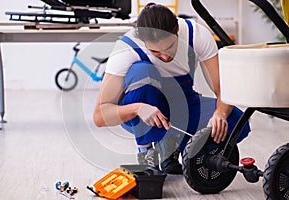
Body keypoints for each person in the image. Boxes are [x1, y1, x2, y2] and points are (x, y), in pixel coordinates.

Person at [93, 3, 250, 174]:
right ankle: (146, 152)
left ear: (176, 29)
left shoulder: (196, 35)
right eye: (155, 52)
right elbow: (100, 116)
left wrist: (220, 113)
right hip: (144, 110)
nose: (165, 56)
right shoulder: (126, 48)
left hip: (183, 104)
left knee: (236, 122)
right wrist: (138, 108)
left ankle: (174, 145)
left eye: (169, 47)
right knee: (142, 70)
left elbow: (222, 89)